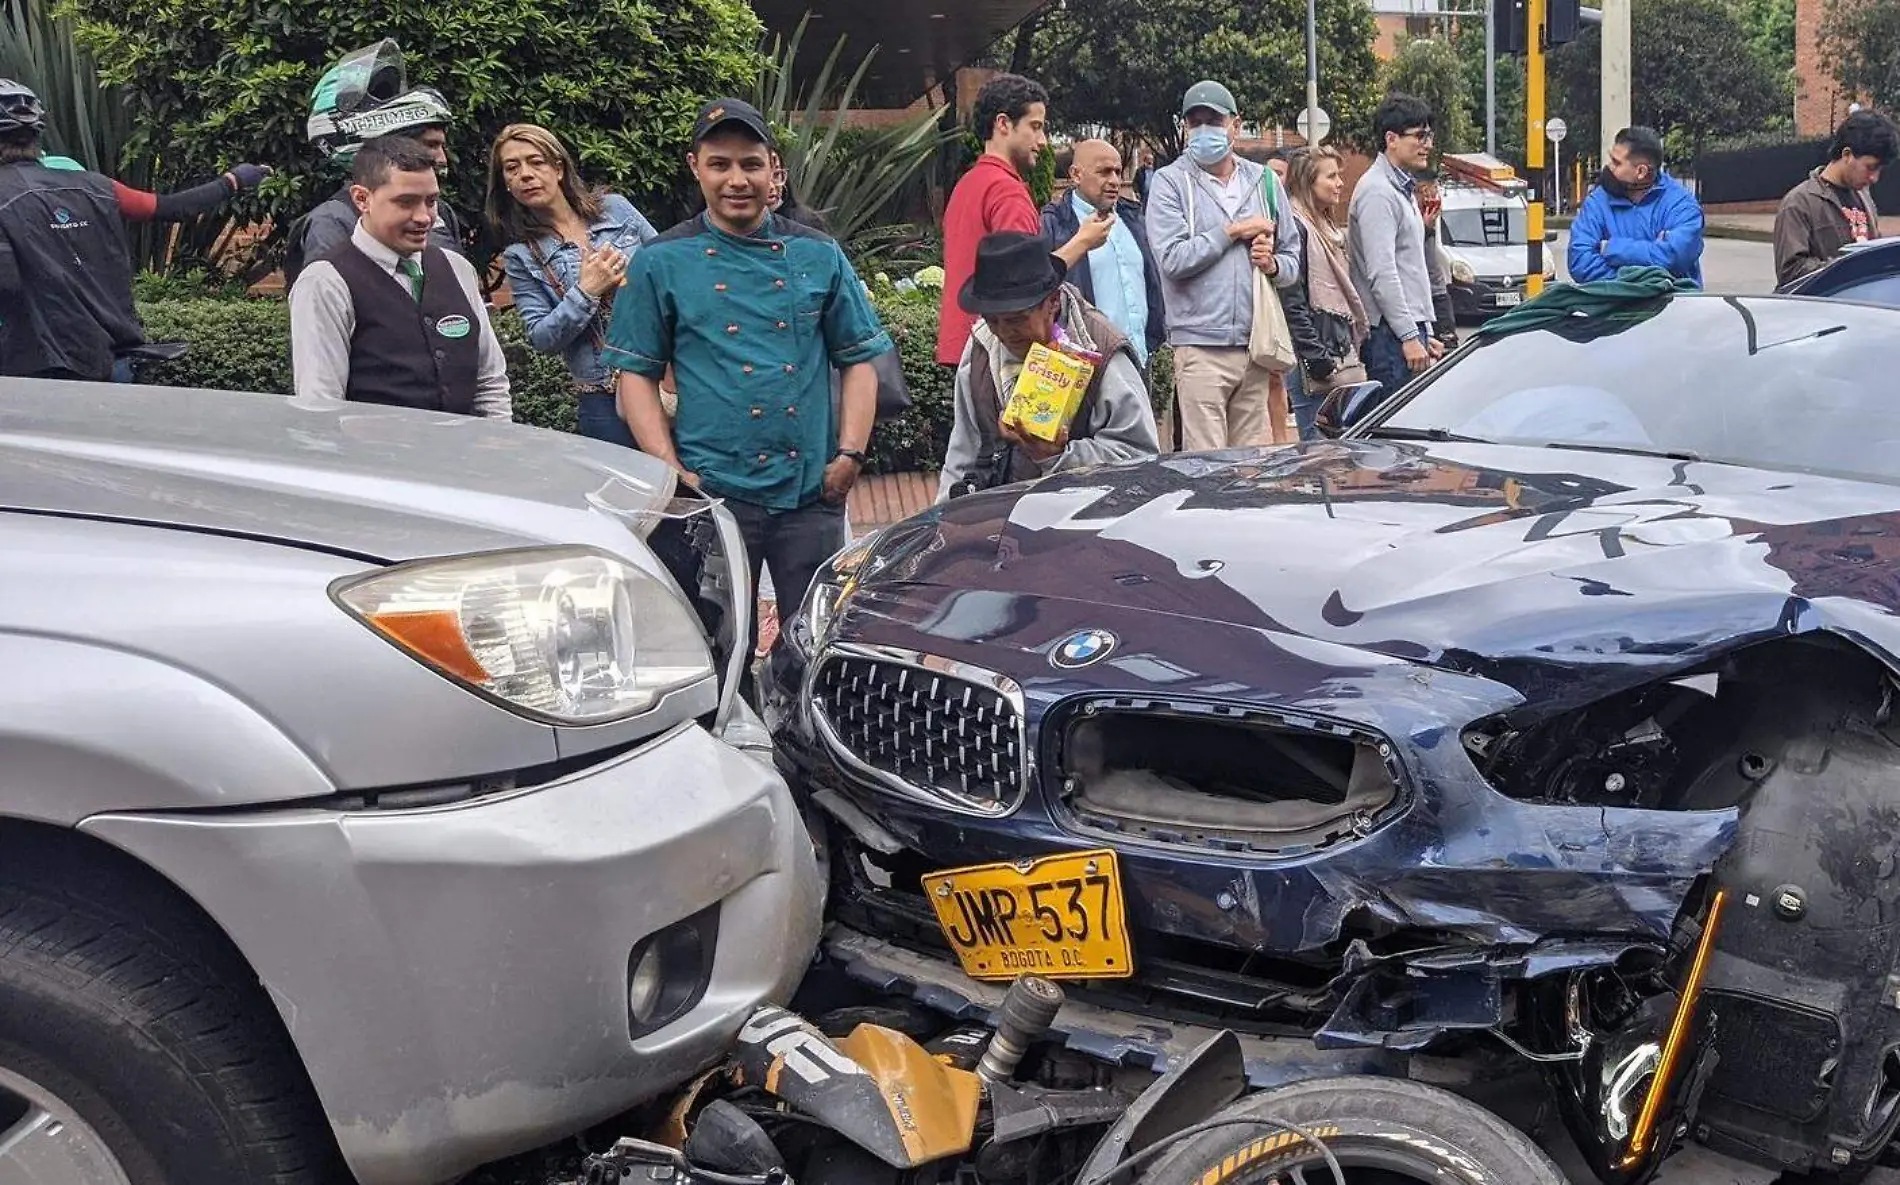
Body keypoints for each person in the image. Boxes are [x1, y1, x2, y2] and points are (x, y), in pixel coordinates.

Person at [604, 98, 892, 668]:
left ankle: (808, 751)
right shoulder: (661, 260)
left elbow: (859, 358)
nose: (737, 180)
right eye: (720, 165)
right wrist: (669, 470)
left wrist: (850, 455)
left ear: (773, 169)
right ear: (696, 167)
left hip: (810, 489)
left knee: (815, 644)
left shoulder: (819, 253)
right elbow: (634, 374)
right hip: (712, 492)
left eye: (750, 164)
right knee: (713, 646)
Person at [288, 135, 510, 418]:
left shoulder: (457, 268)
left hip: (462, 458)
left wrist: (496, 447)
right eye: (406, 202)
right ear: (362, 199)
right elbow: (321, 405)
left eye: (431, 201)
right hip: (376, 460)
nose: (424, 217)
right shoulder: (325, 282)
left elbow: (490, 383)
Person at [1145, 79, 1303, 451]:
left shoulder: (1264, 181)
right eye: (1195, 122)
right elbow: (1172, 259)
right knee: (1207, 467)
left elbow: (1294, 260)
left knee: (1247, 467)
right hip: (1199, 349)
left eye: (1213, 121)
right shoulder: (1170, 183)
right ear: (1185, 127)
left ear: (1235, 124)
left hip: (1254, 347)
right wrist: (1232, 231)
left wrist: (1274, 265)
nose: (1204, 131)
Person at [938, 232, 1158, 499]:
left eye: (1017, 320)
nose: (1004, 333)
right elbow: (961, 456)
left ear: (1053, 302)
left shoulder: (1103, 350)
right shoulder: (980, 349)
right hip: (1000, 521)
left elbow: (1140, 458)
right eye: (993, 320)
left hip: (1087, 522)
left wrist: (1057, 457)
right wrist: (944, 522)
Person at [489, 122, 658, 447]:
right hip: (604, 399)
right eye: (512, 168)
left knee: (692, 486)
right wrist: (587, 292)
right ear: (506, 183)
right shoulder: (522, 255)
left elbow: (669, 270)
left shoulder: (617, 209)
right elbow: (541, 337)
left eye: (535, 162)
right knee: (627, 494)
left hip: (662, 378)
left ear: (558, 168)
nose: (525, 173)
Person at [937, 74, 1113, 366]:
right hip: (1000, 350)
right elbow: (1021, 286)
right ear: (1003, 124)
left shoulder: (968, 184)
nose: (1043, 142)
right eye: (1035, 127)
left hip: (967, 349)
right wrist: (1083, 241)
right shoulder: (1006, 191)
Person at [0, 80, 144, 381]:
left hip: (28, 360)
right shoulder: (76, 174)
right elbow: (155, 207)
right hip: (104, 346)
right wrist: (232, 182)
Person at [286, 40, 463, 286]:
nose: (442, 159)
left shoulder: (442, 213)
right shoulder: (332, 221)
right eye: (431, 145)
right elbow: (327, 309)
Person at [1039, 139, 1165, 369]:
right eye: (1104, 172)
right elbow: (1041, 286)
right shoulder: (1055, 224)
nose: (1114, 181)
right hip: (1084, 365)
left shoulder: (1133, 219)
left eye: (1117, 172)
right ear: (1076, 175)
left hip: (1138, 360)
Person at [1349, 93, 1437, 400]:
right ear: (1391, 139)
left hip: (1404, 331)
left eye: (1429, 135)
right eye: (1420, 135)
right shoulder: (1378, 192)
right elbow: (1382, 272)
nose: (1428, 144)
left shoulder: (1400, 188)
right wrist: (1410, 335)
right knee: (1394, 441)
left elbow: (1409, 265)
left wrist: (1426, 330)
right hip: (1390, 336)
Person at [1281, 146, 1368, 441]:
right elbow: (1292, 299)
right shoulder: (1296, 226)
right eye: (1331, 176)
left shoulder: (1327, 227)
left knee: (1340, 447)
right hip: (1313, 359)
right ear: (1308, 182)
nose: (1340, 183)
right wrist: (1315, 357)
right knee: (1317, 447)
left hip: (1337, 350)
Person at [1567, 126, 1705, 287]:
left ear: (1641, 171)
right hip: (1613, 307)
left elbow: (1675, 258)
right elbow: (1580, 263)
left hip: (1672, 308)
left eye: (1616, 163)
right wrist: (1643, 281)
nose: (1608, 167)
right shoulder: (1597, 202)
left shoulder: (1682, 205)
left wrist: (1610, 248)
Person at [1774, 110, 1899, 286]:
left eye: (1880, 170)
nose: (1875, 178)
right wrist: (1849, 268)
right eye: (1870, 167)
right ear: (1847, 154)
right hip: (1824, 310)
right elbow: (1791, 273)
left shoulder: (1865, 198)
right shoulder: (1799, 203)